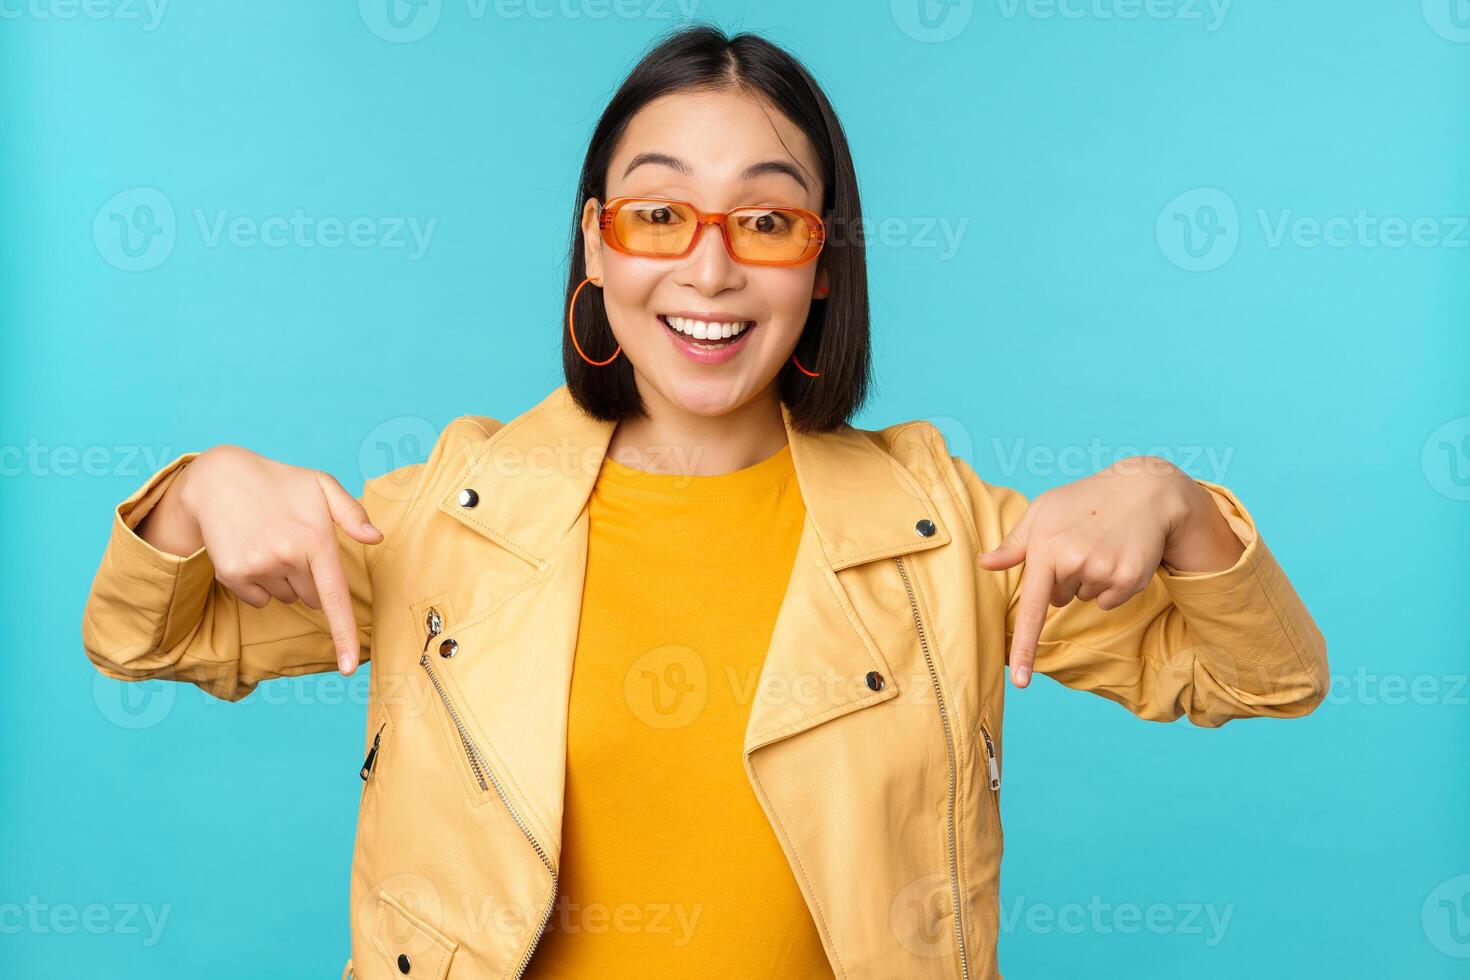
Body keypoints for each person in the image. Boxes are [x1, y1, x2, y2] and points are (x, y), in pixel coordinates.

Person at [80, 24, 1328, 980]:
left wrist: (1173, 499)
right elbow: (146, 634)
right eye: (660, 211)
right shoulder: (447, 518)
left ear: (822, 259)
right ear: (597, 244)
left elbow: (1264, 675)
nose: (711, 263)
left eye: (768, 218)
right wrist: (198, 490)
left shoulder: (944, 529)